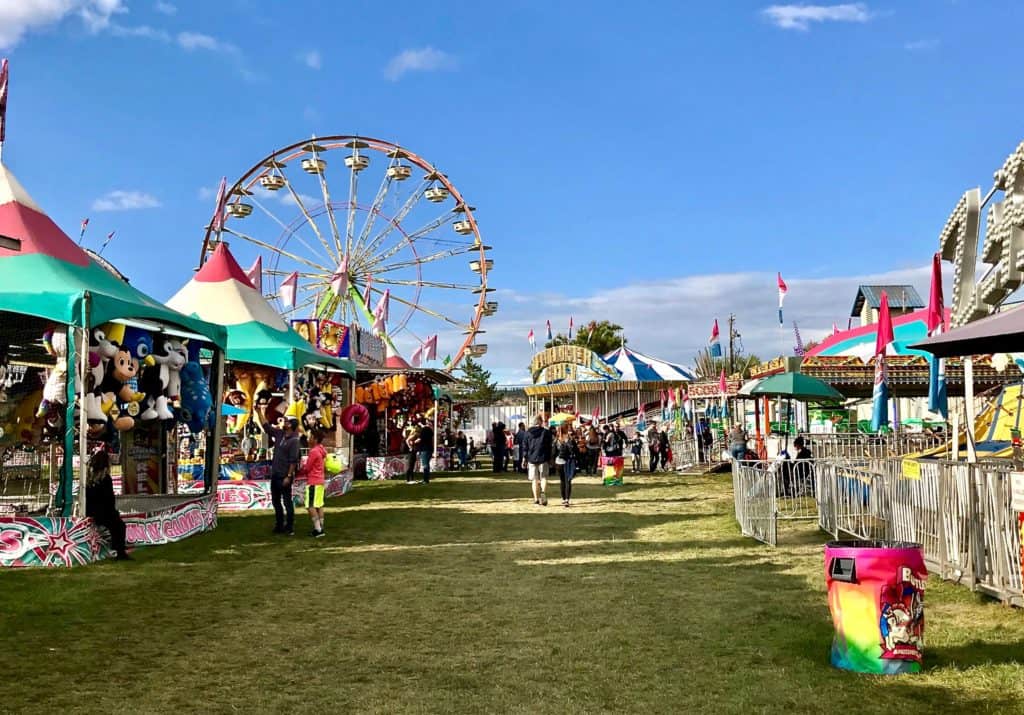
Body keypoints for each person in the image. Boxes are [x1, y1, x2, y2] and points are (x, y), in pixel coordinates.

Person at [85, 446, 130, 560]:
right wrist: (114, 512)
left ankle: (119, 551)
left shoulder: (89, 479)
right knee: (119, 526)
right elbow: (109, 499)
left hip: (91, 510)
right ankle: (120, 552)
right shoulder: (106, 479)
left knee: (116, 524)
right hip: (103, 512)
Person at [270, 418, 301, 535]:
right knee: (275, 501)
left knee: (287, 501)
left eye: (286, 422)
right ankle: (279, 525)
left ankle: (289, 526)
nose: (284, 423)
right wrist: (259, 412)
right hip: (275, 473)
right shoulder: (279, 434)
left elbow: (293, 460)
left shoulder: (294, 441)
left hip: (284, 475)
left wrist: (289, 476)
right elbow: (266, 427)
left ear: (291, 426)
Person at [299, 428, 327, 537]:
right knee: (319, 505)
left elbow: (308, 468)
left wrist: (302, 467)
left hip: (313, 482)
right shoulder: (321, 449)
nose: (307, 438)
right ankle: (321, 526)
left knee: (310, 505)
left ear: (314, 439)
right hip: (320, 481)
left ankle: (318, 529)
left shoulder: (314, 451)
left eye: (309, 436)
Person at [524, 414, 553, 506]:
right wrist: (550, 458)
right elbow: (549, 446)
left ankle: (536, 499)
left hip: (531, 458)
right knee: (543, 477)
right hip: (543, 457)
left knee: (534, 479)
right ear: (540, 422)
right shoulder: (546, 432)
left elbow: (525, 447)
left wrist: (524, 458)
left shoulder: (528, 433)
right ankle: (543, 492)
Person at [555, 425, 577, 507]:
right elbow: (575, 450)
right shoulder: (570, 439)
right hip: (568, 461)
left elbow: (553, 452)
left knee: (562, 481)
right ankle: (567, 499)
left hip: (558, 462)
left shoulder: (557, 440)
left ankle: (563, 498)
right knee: (568, 481)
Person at [417, 419, 435, 484]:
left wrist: (414, 442)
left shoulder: (424, 430)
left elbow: (420, 439)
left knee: (425, 465)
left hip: (424, 449)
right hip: (429, 449)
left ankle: (425, 479)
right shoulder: (430, 430)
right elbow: (432, 439)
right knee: (427, 464)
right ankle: (426, 478)